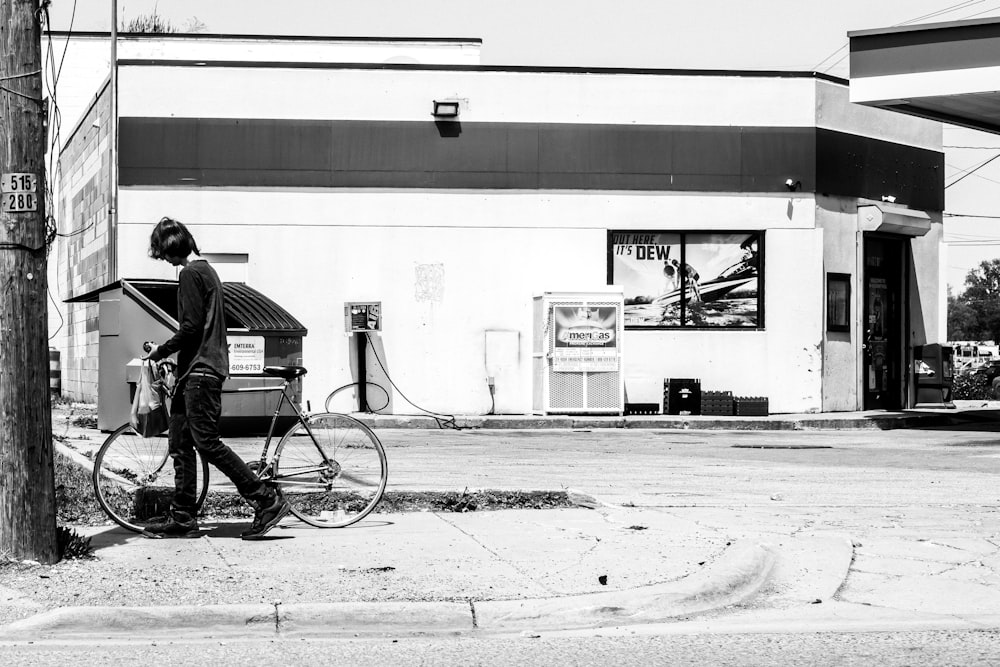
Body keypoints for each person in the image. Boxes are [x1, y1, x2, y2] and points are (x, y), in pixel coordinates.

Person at [144, 217, 290, 540]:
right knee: (180, 443)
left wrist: (162, 351)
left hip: (201, 372)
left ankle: (265, 499)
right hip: (195, 373)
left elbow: (191, 328)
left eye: (163, 253)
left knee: (207, 444)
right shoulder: (208, 271)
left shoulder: (190, 274)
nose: (164, 260)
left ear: (172, 248)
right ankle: (183, 517)